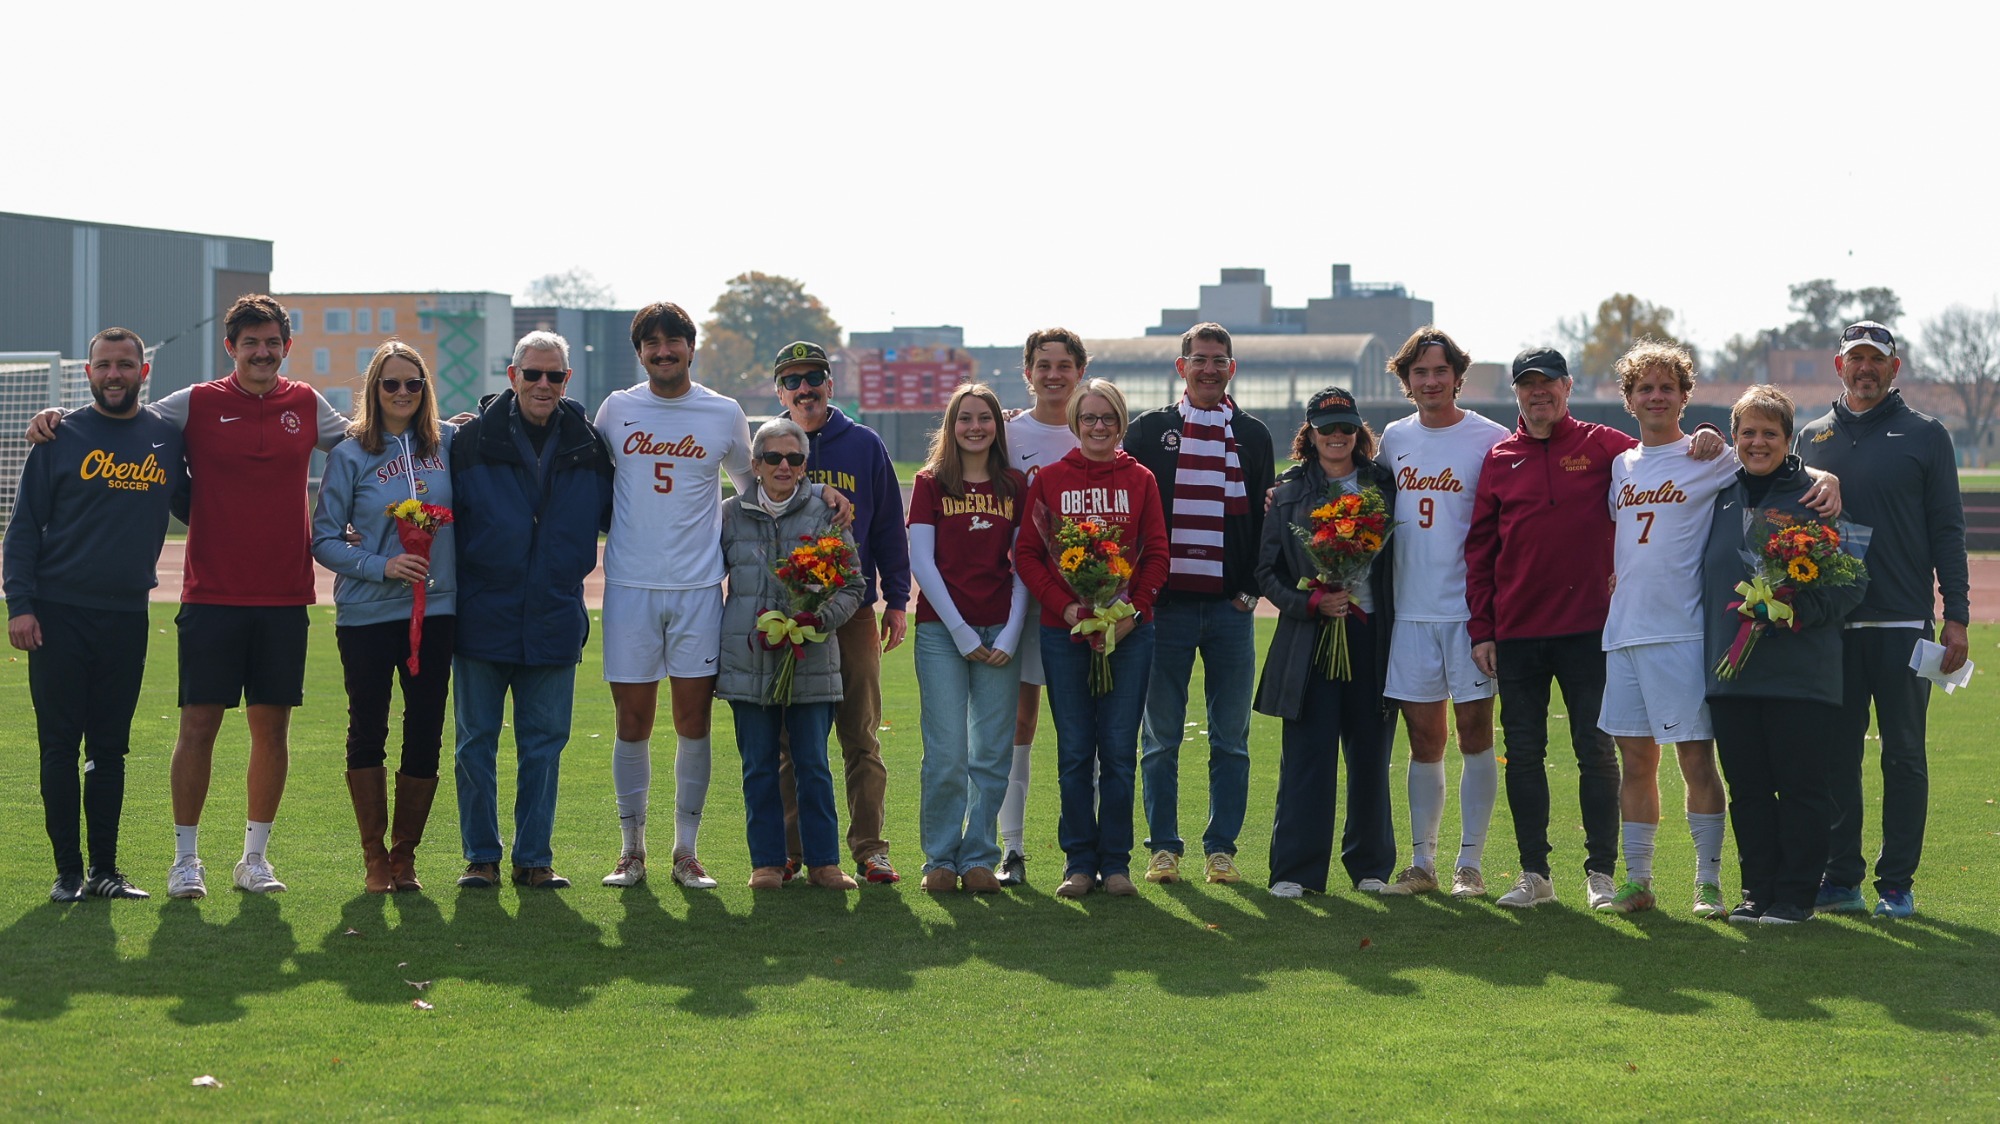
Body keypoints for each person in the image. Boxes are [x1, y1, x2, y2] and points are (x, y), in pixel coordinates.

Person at [32, 294, 349, 898]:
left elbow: (368, 441)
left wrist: (451, 428)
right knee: (197, 727)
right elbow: (122, 414)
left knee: (272, 731)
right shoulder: (195, 403)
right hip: (211, 595)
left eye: (271, 342)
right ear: (230, 348)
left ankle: (255, 859)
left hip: (285, 596)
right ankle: (186, 860)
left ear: (286, 346)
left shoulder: (307, 404)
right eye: (249, 342)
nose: (262, 352)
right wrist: (59, 416)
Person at [1798, 321, 1970, 919]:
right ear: (1838, 366)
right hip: (1832, 628)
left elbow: (1948, 530)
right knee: (1835, 757)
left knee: (1903, 755)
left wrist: (1957, 616)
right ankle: (1840, 877)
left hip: (1903, 625)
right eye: (1855, 359)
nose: (1865, 368)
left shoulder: (1927, 436)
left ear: (1895, 369)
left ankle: (1896, 882)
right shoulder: (1811, 437)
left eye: (1876, 359)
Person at [5, 327, 185, 901]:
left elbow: (205, 504)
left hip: (127, 616)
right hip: (57, 616)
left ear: (143, 372)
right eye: (104, 365)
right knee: (59, 746)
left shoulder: (166, 436)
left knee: (110, 748)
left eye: (125, 364)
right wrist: (21, 606)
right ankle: (66, 874)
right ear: (88, 373)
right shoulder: (59, 436)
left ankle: (105, 871)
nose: (114, 374)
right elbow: (24, 528)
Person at [593, 301, 753, 892]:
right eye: (652, 344)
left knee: (693, 721)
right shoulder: (617, 409)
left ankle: (686, 852)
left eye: (674, 342)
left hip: (698, 590)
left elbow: (752, 486)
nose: (664, 352)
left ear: (691, 346)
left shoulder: (722, 412)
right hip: (630, 586)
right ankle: (630, 849)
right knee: (631, 721)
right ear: (640, 352)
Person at [1596, 341, 1759, 918]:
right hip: (1623, 636)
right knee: (1636, 763)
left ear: (1685, 397)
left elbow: (1772, 459)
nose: (1657, 396)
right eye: (1646, 388)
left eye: (1668, 387)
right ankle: (1637, 882)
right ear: (1630, 400)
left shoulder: (1710, 454)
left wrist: (1827, 480)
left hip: (1683, 636)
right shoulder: (1622, 465)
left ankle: (1707, 882)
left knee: (1695, 760)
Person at [450, 331, 614, 891]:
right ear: (511, 375)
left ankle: (534, 857)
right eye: (533, 374)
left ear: (568, 381)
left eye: (555, 376)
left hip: (554, 616)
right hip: (480, 617)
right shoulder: (467, 442)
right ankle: (480, 855)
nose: (543, 385)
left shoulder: (592, 446)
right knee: (475, 744)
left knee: (543, 746)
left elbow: (635, 513)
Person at [1703, 386, 1867, 924]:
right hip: (1732, 674)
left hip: (1802, 675)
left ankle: (1796, 895)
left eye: (1769, 433)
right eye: (1747, 432)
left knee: (1800, 788)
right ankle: (1756, 891)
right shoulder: (1717, 493)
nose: (1757, 442)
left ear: (1789, 438)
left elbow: (1852, 584)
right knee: (1747, 790)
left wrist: (1792, 609)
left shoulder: (1819, 497)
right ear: (1733, 438)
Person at [1125, 323, 1274, 887]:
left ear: (1231, 368)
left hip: (1230, 612)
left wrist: (1250, 591)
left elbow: (1266, 525)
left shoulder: (1253, 435)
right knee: (1160, 737)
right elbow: (1132, 517)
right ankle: (1163, 847)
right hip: (1165, 612)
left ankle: (1221, 849)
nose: (1210, 369)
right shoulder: (1149, 430)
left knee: (1230, 739)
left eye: (1219, 360)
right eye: (1200, 359)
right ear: (1180, 365)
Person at [1014, 378, 1169, 899]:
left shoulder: (1141, 479)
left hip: (1129, 635)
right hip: (1066, 634)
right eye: (1088, 418)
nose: (1098, 427)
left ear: (1121, 422)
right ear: (1076, 423)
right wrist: (1070, 607)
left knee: (1120, 751)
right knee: (1077, 751)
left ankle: (1117, 863)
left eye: (1107, 418)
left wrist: (1131, 613)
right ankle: (1079, 862)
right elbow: (1029, 555)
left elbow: (1156, 554)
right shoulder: (1052, 479)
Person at [311, 340, 455, 893]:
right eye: (390, 384)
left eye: (412, 384)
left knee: (425, 731)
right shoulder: (350, 453)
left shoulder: (447, 446)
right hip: (367, 614)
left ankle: (405, 856)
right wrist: (380, 565)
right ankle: (373, 856)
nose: (401, 393)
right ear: (373, 389)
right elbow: (323, 539)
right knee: (367, 729)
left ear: (425, 391)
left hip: (437, 612)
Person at [1372, 328, 1508, 899]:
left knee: (1476, 733)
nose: (1431, 382)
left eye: (1440, 371)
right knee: (1424, 739)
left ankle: (1469, 865)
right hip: (1409, 616)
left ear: (1458, 376)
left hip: (1470, 616)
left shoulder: (1491, 438)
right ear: (1406, 381)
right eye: (1419, 373)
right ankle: (1421, 863)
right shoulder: (1393, 440)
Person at [772, 340, 911, 885]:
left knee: (861, 734)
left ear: (831, 384)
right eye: (793, 381)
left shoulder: (864, 444)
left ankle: (870, 848)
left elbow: (886, 529)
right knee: (792, 737)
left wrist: (896, 599)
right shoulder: (768, 443)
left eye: (814, 378)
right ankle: (792, 849)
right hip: (791, 611)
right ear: (781, 391)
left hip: (851, 608)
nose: (804, 389)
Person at [1255, 387, 1397, 897]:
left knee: (1369, 757)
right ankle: (1295, 870)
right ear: (1309, 434)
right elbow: (1265, 573)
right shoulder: (1288, 492)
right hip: (1310, 639)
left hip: (1373, 635)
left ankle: (1371, 867)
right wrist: (1310, 603)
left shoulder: (1386, 485)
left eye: (1346, 428)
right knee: (1308, 757)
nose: (1337, 437)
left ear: (1359, 433)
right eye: (1326, 428)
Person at [718, 418, 864, 891]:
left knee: (813, 765)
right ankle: (767, 862)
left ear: (804, 466)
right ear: (755, 464)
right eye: (774, 458)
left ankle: (824, 863)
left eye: (795, 458)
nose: (785, 466)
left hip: (811, 658)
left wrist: (817, 620)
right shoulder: (727, 514)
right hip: (749, 659)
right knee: (758, 765)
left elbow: (854, 584)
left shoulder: (827, 515)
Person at [909, 383, 1029, 893]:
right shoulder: (930, 483)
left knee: (992, 752)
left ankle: (979, 855)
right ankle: (939, 857)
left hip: (1000, 631)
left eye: (985, 418)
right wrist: (959, 630)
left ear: (998, 426)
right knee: (947, 752)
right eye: (965, 418)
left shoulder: (1015, 484)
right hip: (942, 633)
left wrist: (1012, 630)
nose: (975, 427)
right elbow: (922, 562)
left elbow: (1026, 563)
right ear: (950, 426)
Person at [997, 327, 1087, 886]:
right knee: (1019, 722)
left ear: (1081, 370)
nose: (1053, 375)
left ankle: (1092, 849)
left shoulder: (1100, 430)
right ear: (1027, 371)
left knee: (1087, 726)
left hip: (1088, 602)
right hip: (1019, 598)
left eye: (1064, 365)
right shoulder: (1007, 434)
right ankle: (1013, 848)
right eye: (1043, 365)